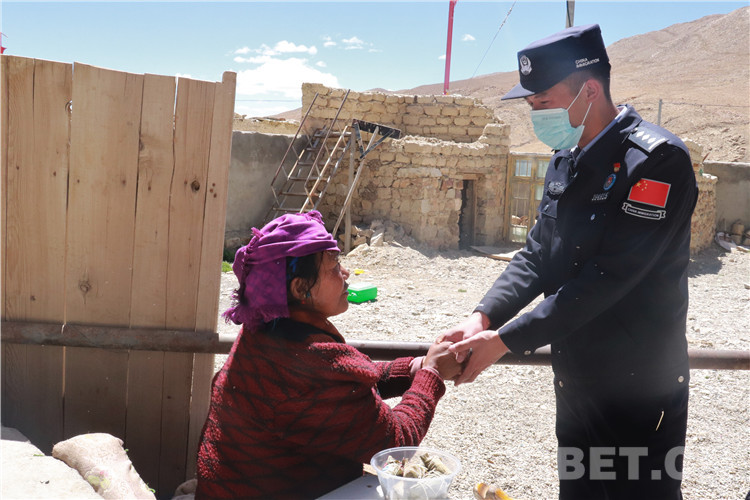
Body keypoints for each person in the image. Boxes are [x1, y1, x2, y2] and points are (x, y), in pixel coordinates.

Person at [442, 24, 698, 499]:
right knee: (579, 491)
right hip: (577, 380)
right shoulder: (565, 160)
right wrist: (482, 316)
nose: (536, 113)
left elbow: (611, 276)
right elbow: (538, 253)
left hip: (640, 390)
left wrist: (506, 341)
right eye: (531, 104)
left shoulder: (657, 162)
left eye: (543, 101)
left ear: (590, 90)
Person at [196, 211, 462, 499]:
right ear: (301, 288)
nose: (345, 274)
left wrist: (415, 367)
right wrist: (431, 375)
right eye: (334, 266)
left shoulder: (263, 331)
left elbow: (351, 386)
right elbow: (394, 441)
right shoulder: (310, 363)